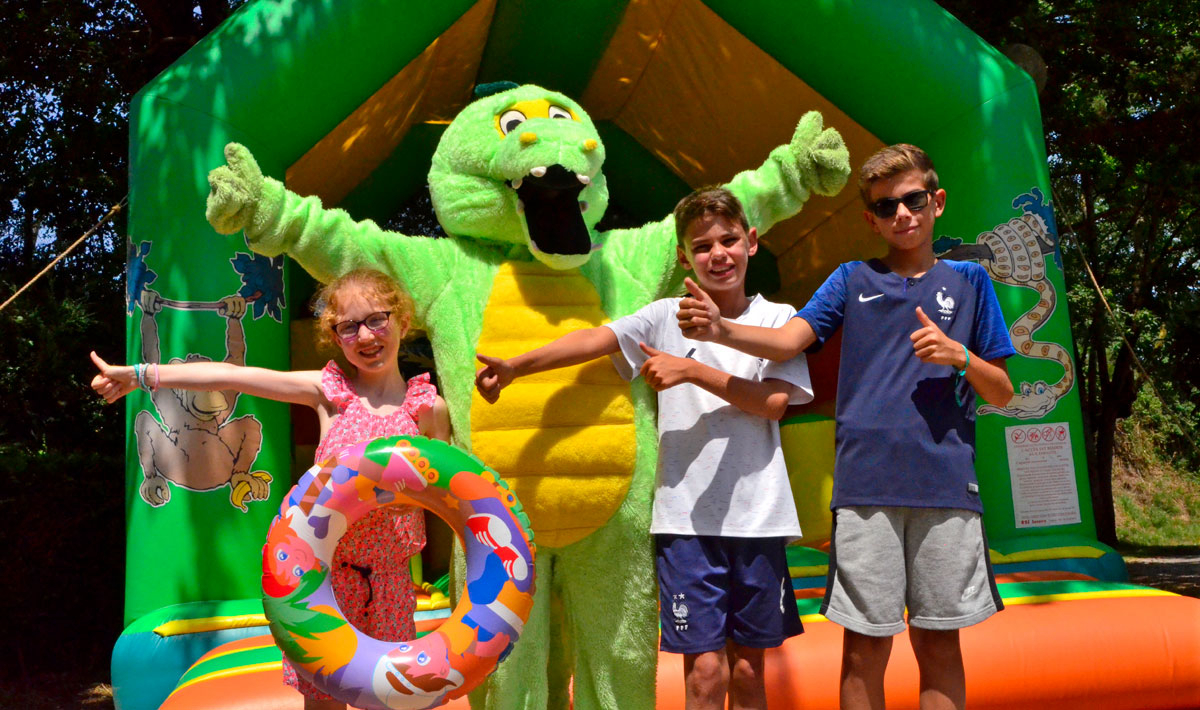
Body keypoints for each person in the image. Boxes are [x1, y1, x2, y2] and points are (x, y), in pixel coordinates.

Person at [677, 144, 1016, 710]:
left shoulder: (971, 282)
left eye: (912, 200)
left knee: (939, 644)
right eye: (886, 207)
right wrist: (719, 331)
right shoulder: (851, 278)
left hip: (948, 490)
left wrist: (960, 355)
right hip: (863, 492)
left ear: (937, 202)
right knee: (863, 650)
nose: (902, 214)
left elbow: (1001, 390)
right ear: (871, 219)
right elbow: (790, 340)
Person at [475, 187, 813, 710]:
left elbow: (771, 403)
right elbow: (593, 340)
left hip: (759, 521)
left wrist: (693, 370)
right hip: (685, 526)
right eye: (702, 246)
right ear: (684, 257)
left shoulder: (778, 319)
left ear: (752, 242)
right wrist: (518, 366)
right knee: (705, 670)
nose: (717, 254)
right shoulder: (663, 316)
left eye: (728, 240)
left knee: (747, 670)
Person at [91, 268, 451, 710]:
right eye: (348, 326)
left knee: (392, 701)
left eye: (377, 319)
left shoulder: (426, 409)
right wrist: (140, 373)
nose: (366, 335)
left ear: (402, 319)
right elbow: (234, 377)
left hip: (391, 580)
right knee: (323, 702)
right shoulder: (329, 393)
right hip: (326, 581)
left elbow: (448, 496)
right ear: (335, 336)